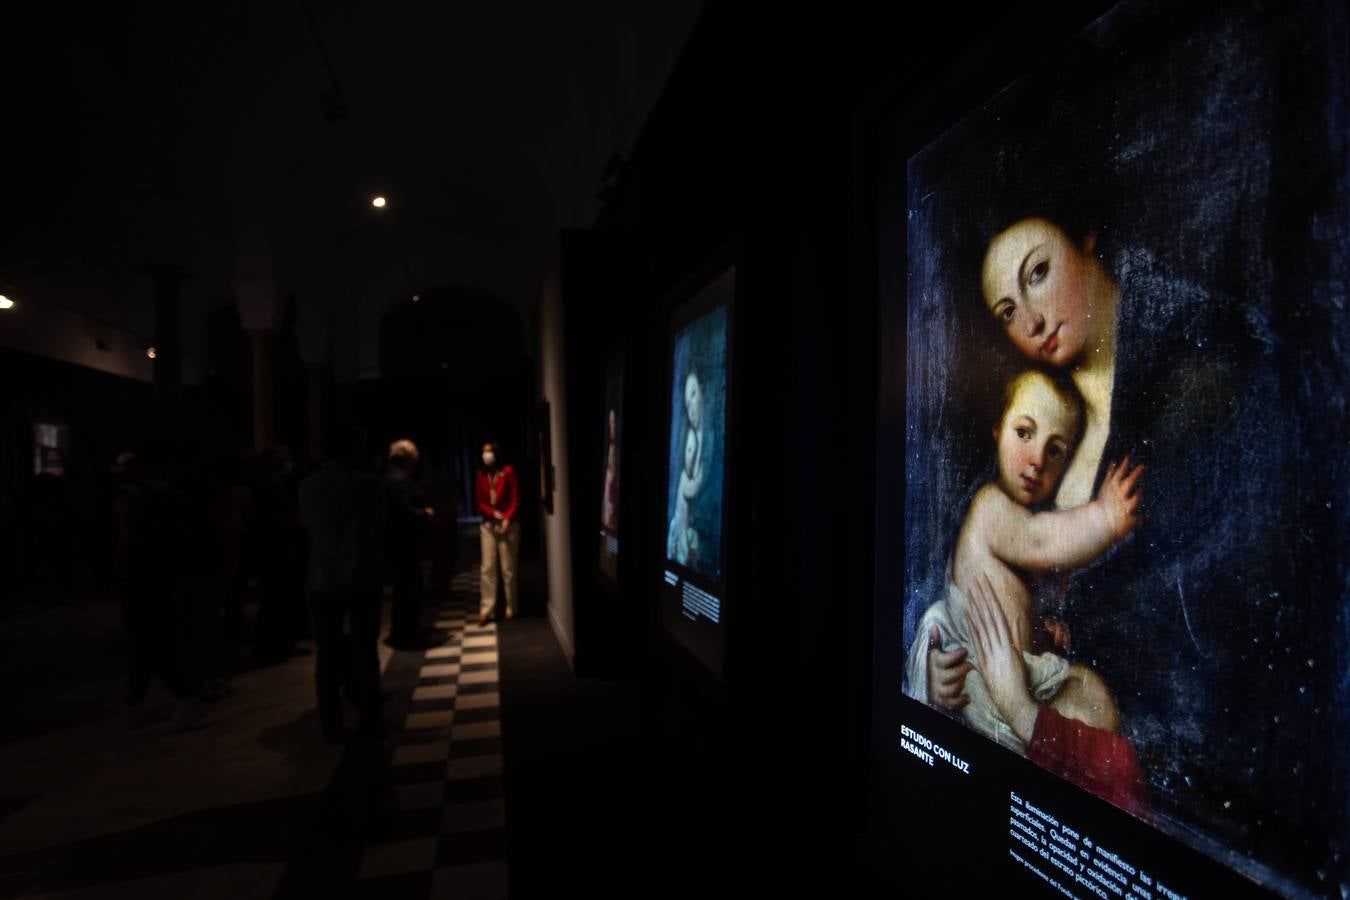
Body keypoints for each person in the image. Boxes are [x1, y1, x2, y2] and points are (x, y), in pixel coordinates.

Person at [906, 369, 1142, 753]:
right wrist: (1105, 519)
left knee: (1093, 699)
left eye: (1055, 450)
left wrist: (1038, 632)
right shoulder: (990, 508)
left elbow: (1012, 600)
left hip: (1014, 680)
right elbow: (1042, 540)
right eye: (1024, 433)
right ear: (998, 430)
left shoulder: (1014, 514)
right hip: (983, 685)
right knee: (1093, 703)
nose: (1036, 461)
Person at [298, 425, 386, 742]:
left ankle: (331, 723)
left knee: (328, 654)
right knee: (364, 649)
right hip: (362, 576)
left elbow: (305, 529)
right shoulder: (370, 485)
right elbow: (378, 529)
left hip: (323, 579)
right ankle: (370, 715)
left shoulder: (308, 487)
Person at [385, 439, 434, 649]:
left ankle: (405, 630)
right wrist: (425, 513)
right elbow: (403, 514)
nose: (417, 458)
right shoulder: (399, 480)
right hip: (405, 546)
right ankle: (406, 633)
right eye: (413, 454)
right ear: (404, 457)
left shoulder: (396, 478)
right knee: (408, 589)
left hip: (401, 545)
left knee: (406, 589)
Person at [476, 441, 520, 626]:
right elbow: (480, 501)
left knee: (507, 569)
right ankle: (487, 610)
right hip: (488, 525)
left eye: (489, 451)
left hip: (508, 525)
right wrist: (492, 513)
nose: (486, 455)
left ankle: (511, 606)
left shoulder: (507, 471)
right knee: (487, 568)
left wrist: (507, 518)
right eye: (484, 452)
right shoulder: (481, 474)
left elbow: (515, 499)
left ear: (496, 453)